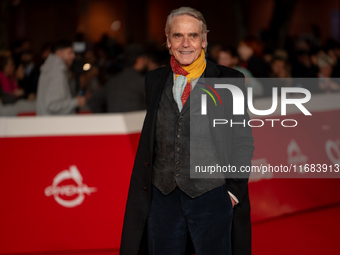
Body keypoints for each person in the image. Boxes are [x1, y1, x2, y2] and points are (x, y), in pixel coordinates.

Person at [120, 7, 255, 255]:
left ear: (204, 40)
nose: (185, 43)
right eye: (177, 36)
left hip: (212, 196)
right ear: (168, 40)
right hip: (162, 198)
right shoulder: (154, 80)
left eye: (192, 35)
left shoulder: (229, 80)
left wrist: (233, 193)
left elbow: (242, 140)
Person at [88, 44, 148, 113]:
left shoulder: (112, 81)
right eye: (145, 59)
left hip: (114, 122)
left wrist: (104, 118)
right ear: (139, 61)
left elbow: (93, 102)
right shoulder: (142, 82)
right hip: (136, 122)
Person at [36, 40, 86, 115]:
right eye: (70, 52)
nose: (73, 56)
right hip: (56, 124)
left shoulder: (50, 68)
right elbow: (53, 105)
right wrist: (76, 102)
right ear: (59, 53)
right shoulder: (56, 72)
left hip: (49, 123)